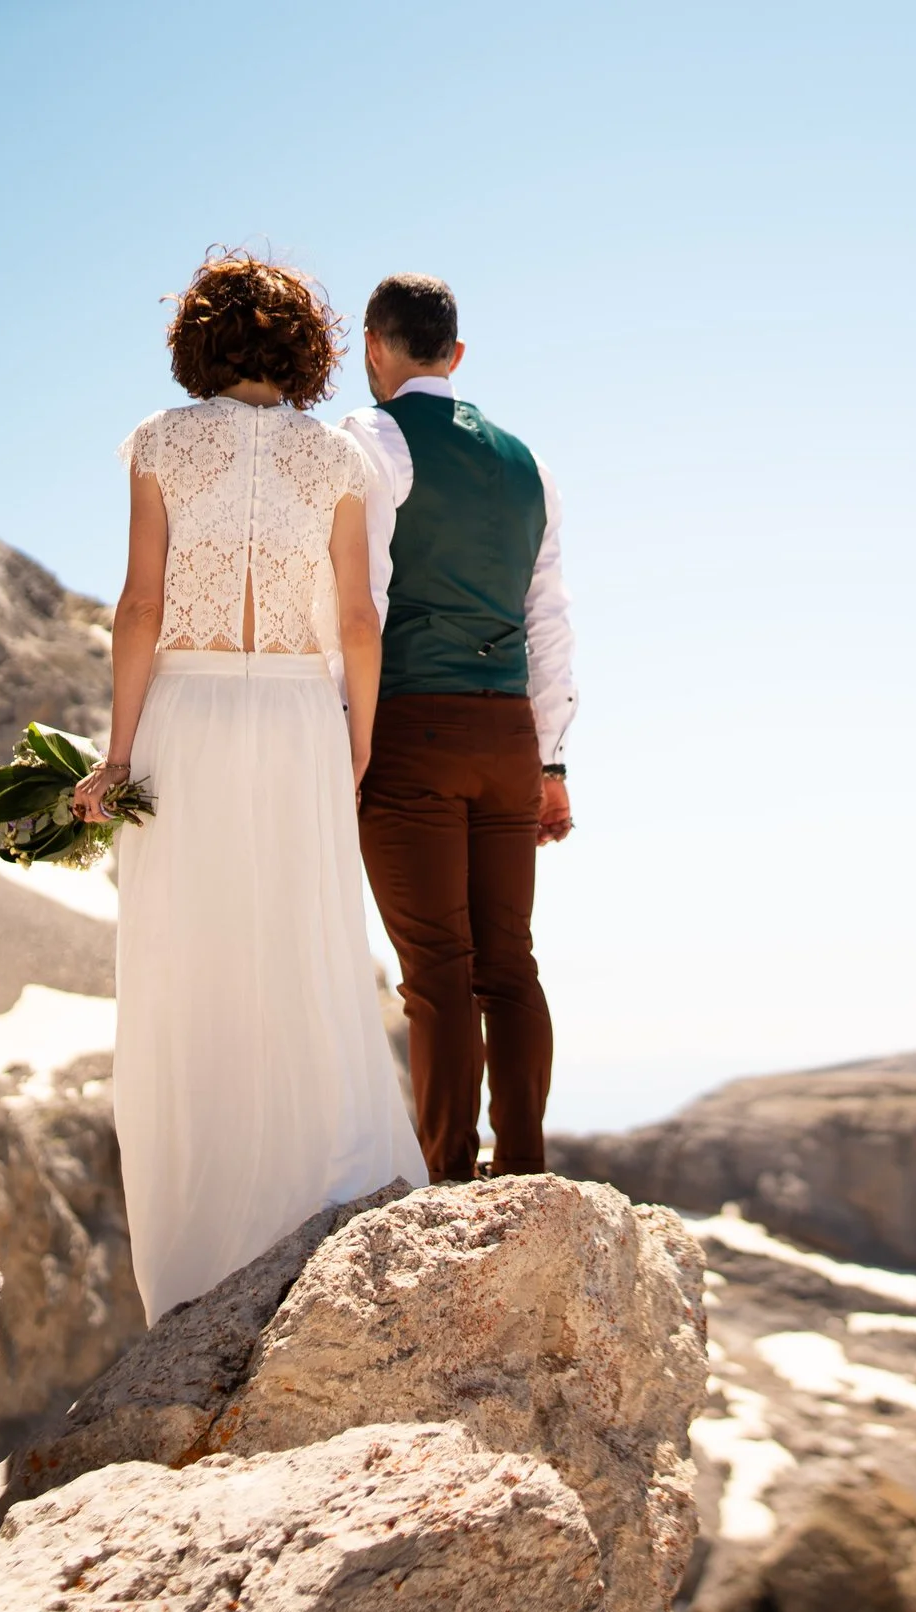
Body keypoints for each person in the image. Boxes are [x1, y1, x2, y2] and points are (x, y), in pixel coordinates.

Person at [77, 251, 426, 1322]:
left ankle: (194, 1266)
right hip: (294, 722)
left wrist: (117, 751)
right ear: (305, 348)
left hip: (182, 715)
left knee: (184, 963)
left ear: (200, 342)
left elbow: (139, 606)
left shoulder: (159, 442)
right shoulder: (334, 461)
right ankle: (318, 1222)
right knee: (302, 953)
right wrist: (356, 741)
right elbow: (359, 620)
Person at [339, 274, 576, 1185]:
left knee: (437, 969)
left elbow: (361, 602)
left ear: (374, 346)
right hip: (510, 735)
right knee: (507, 962)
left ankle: (449, 1183)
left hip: (412, 729)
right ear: (457, 355)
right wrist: (550, 759)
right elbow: (549, 621)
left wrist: (346, 735)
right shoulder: (530, 465)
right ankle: (524, 1174)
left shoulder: (369, 439)